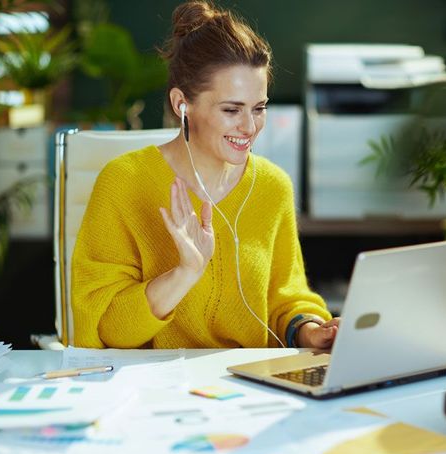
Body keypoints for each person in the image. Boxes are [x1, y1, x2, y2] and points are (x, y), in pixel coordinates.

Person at [71, 0, 341, 349]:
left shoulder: (273, 187)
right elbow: (108, 329)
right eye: (231, 110)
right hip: (153, 391)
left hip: (250, 390)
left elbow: (285, 301)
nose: (249, 127)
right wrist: (184, 273)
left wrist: (310, 330)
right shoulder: (123, 182)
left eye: (258, 109)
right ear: (182, 104)